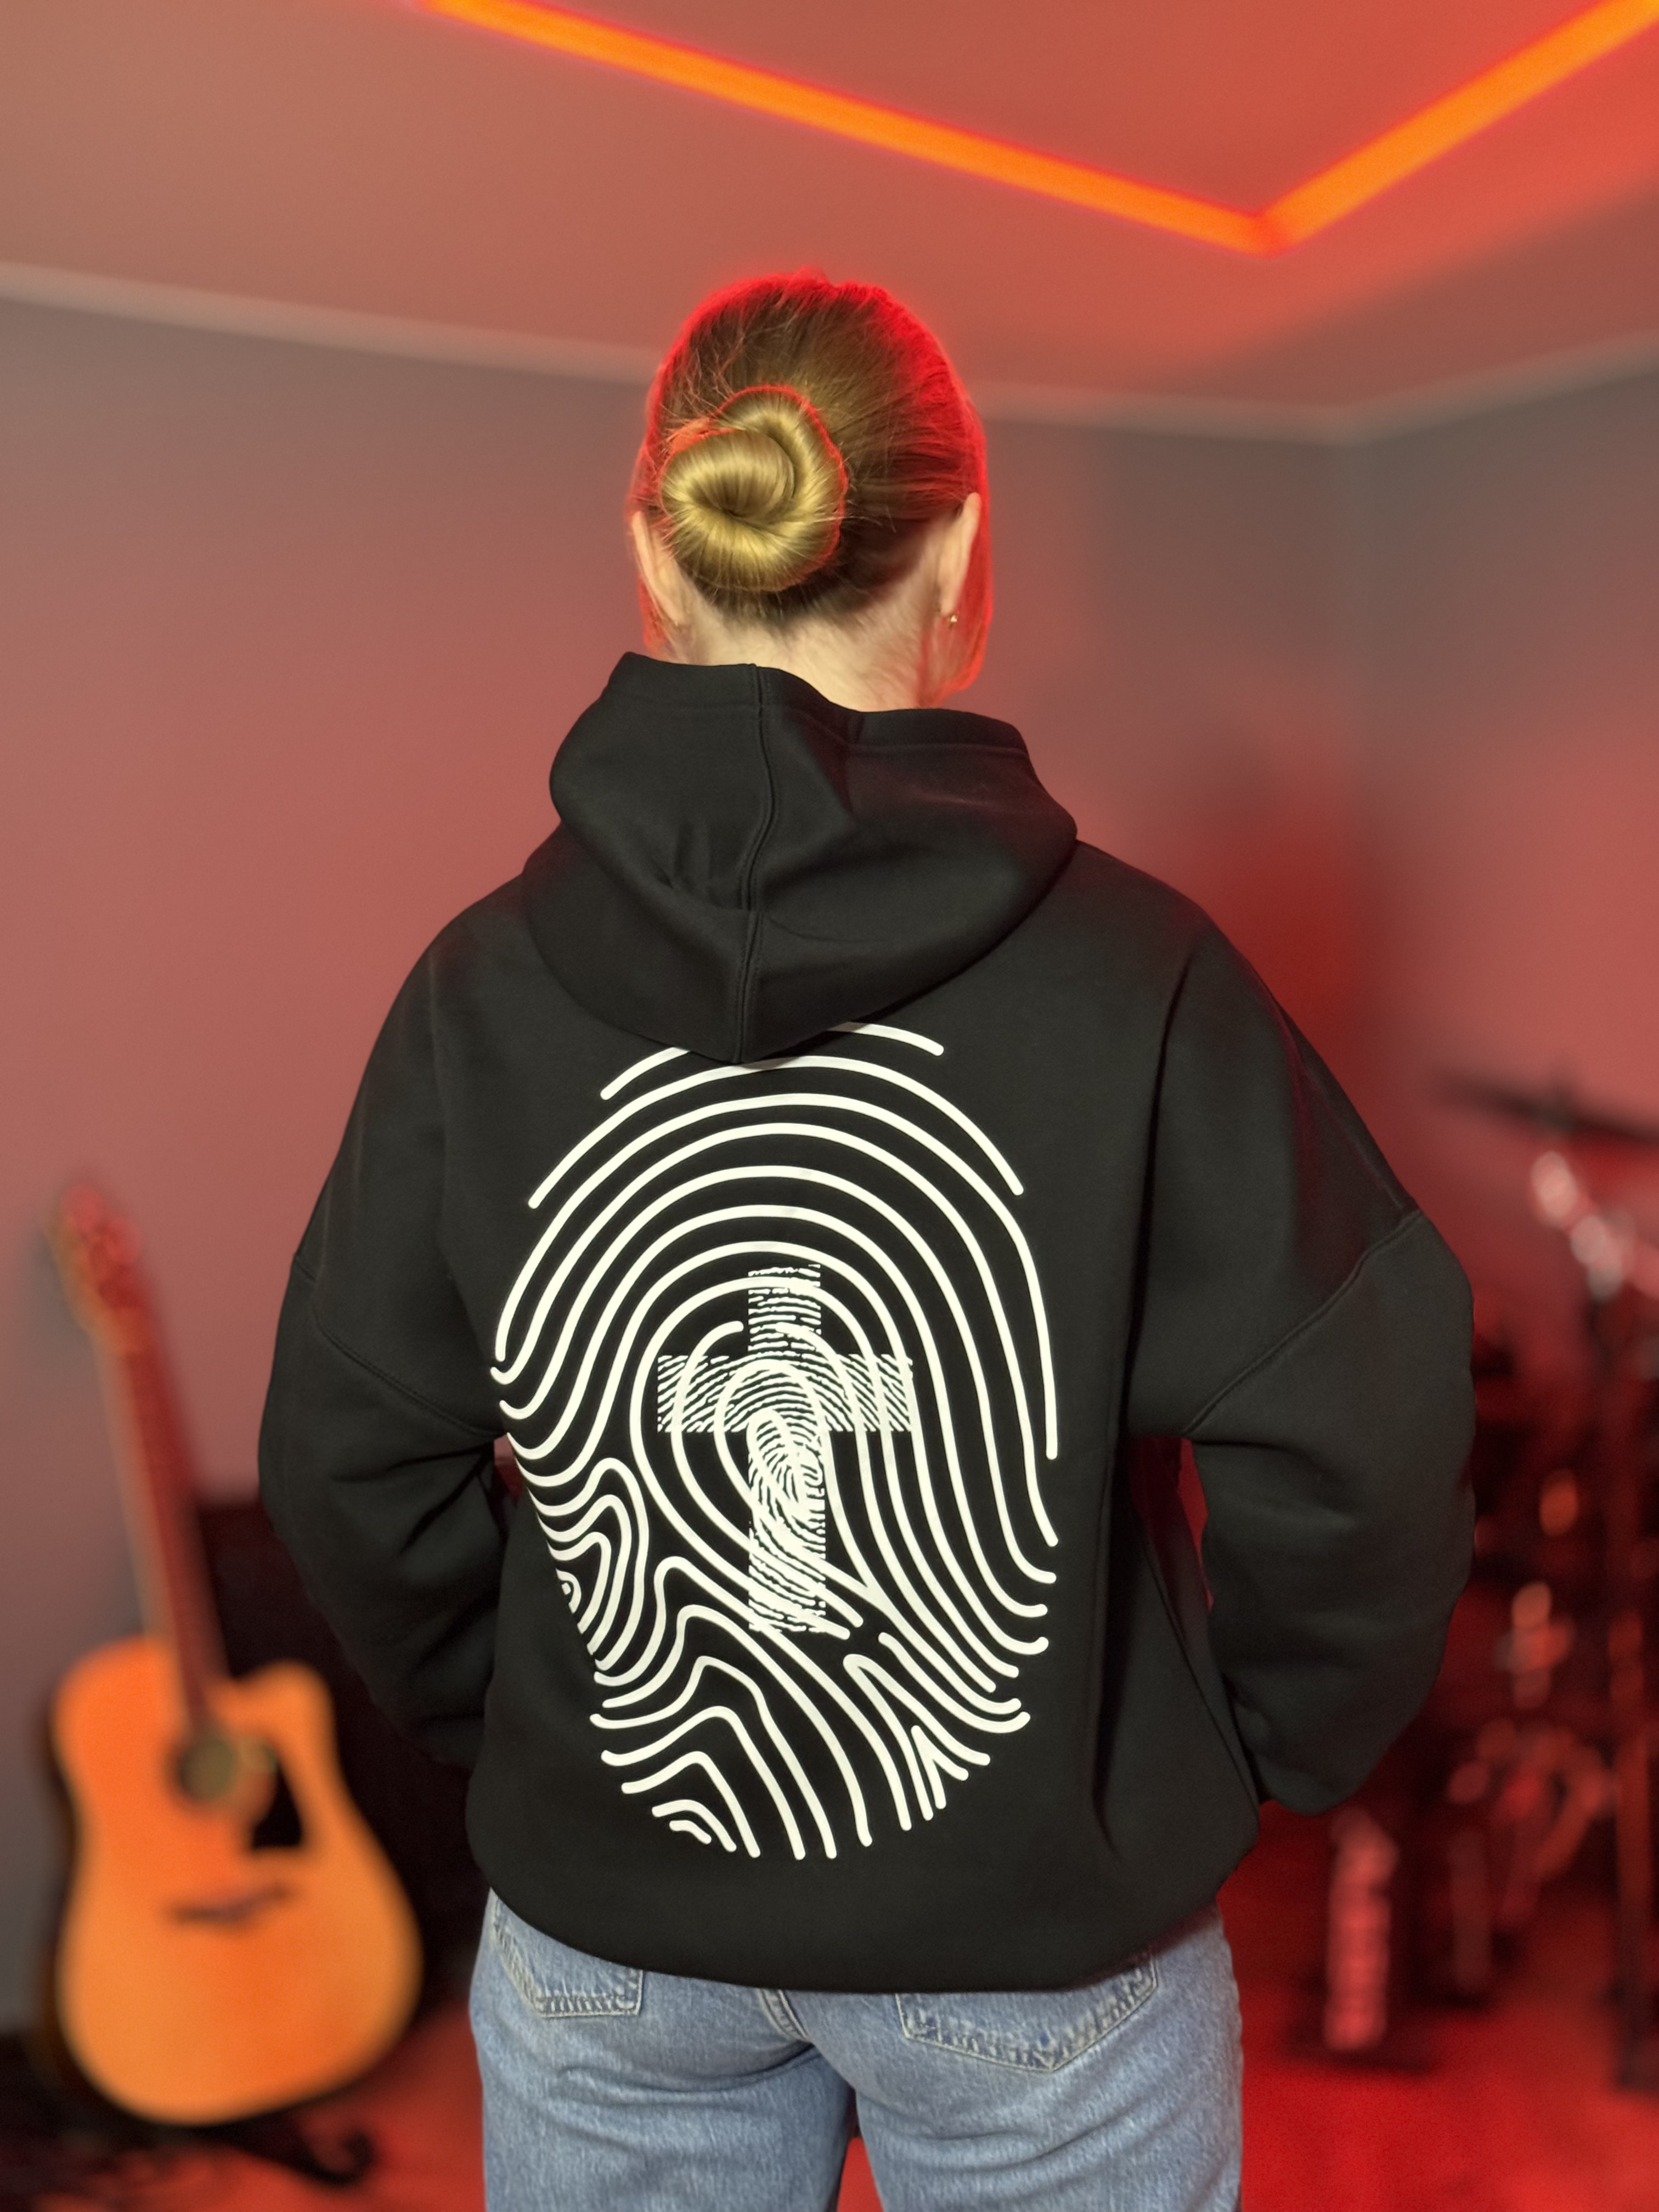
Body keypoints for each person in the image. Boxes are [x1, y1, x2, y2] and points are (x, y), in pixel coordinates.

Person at [259, 271, 1474, 2211]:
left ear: (652, 555)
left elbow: (347, 1453)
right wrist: (1224, 1755)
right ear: (965, 552)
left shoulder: (475, 993)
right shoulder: (1147, 982)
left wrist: (552, 1727)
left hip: (611, 1945)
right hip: (1044, 1942)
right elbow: (1366, 1421)